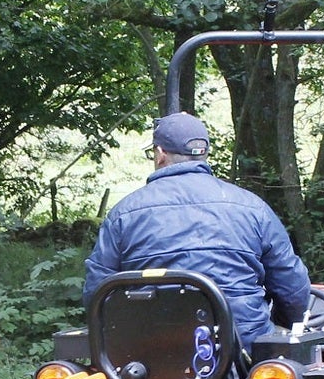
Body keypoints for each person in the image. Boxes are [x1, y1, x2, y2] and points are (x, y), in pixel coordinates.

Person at [83, 111, 310, 349]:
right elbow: (292, 286)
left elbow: (97, 294)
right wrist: (285, 323)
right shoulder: (252, 207)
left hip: (151, 355)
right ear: (204, 154)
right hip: (242, 350)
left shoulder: (123, 214)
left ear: (160, 154)